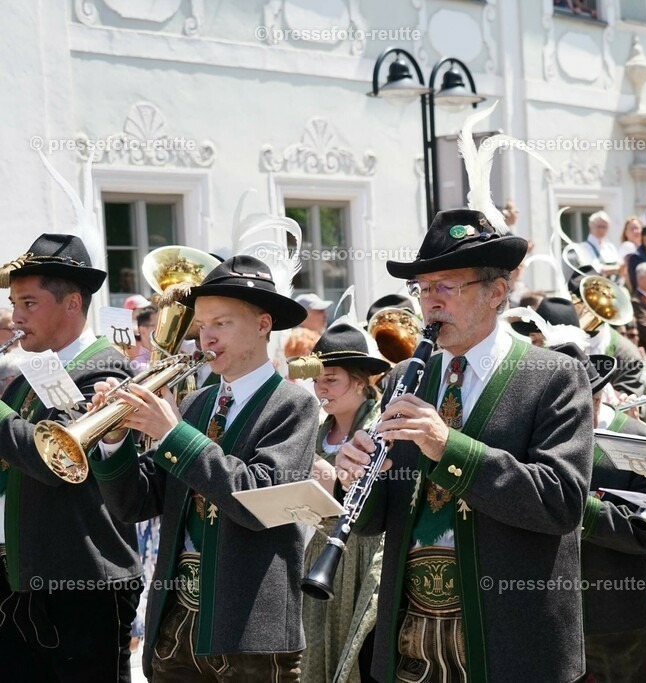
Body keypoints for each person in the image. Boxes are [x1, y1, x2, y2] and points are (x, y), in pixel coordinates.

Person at [338, 207, 594, 682]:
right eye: (424, 289)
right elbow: (376, 521)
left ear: (496, 292)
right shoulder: (402, 379)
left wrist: (447, 447)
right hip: (412, 639)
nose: (430, 304)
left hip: (509, 645)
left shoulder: (555, 377)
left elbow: (562, 502)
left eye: (447, 287)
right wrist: (355, 478)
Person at [89, 254, 320, 681]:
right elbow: (135, 503)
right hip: (178, 621)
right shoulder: (196, 403)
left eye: (222, 324)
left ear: (263, 324)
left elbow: (259, 501)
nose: (205, 338)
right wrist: (114, 437)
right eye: (202, 325)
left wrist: (173, 435)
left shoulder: (294, 404)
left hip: (251, 631)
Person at [0, 233, 142, 681]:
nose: (15, 317)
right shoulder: (33, 369)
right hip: (26, 577)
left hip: (83, 583)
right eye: (13, 303)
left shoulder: (104, 369)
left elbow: (53, 460)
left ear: (72, 303)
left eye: (27, 303)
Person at [551, 342, 646, 682]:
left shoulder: (636, 439)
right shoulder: (541, 435)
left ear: (596, 400)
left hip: (618, 619)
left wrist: (573, 504)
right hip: (554, 613)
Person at [291, 322, 391, 683]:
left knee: (362, 656)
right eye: (317, 380)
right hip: (316, 550)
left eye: (331, 379)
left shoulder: (383, 426)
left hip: (364, 552)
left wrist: (334, 480)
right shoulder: (314, 426)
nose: (320, 388)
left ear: (361, 381)